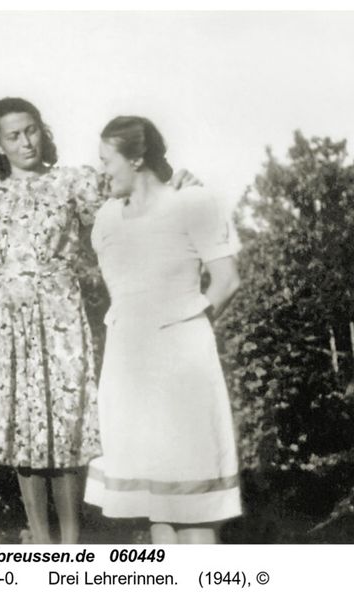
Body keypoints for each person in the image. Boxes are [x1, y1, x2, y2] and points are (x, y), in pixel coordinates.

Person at [83, 116, 243, 544]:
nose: (101, 171)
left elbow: (226, 281)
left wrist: (186, 329)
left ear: (136, 158)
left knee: (194, 506)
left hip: (182, 368)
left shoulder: (193, 203)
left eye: (106, 160)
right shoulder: (106, 218)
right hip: (127, 369)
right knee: (156, 505)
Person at [0, 98, 104, 544]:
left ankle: (71, 544)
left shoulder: (73, 182)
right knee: (23, 424)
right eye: (14, 136)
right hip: (7, 316)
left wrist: (172, 182)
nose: (26, 142)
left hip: (60, 309)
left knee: (65, 420)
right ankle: (42, 544)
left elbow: (123, 212)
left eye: (31, 130)